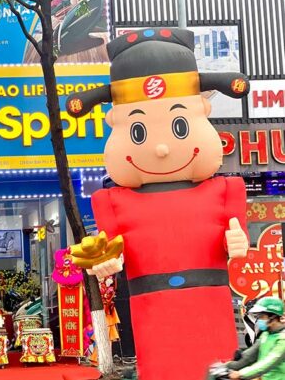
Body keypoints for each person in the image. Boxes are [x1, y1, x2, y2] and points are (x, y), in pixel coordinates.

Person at [66, 27, 251, 380]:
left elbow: (236, 238)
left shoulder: (226, 190)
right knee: (162, 368)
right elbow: (109, 250)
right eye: (138, 132)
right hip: (151, 305)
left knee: (214, 366)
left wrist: (236, 241)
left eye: (180, 126)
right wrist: (105, 262)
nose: (162, 148)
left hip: (209, 301)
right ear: (114, 123)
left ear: (203, 112)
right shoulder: (112, 201)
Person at [224, 297, 285, 380]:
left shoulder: (282, 339)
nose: (259, 320)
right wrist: (228, 366)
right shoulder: (266, 334)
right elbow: (250, 355)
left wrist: (241, 373)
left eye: (262, 316)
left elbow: (269, 362)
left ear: (273, 317)